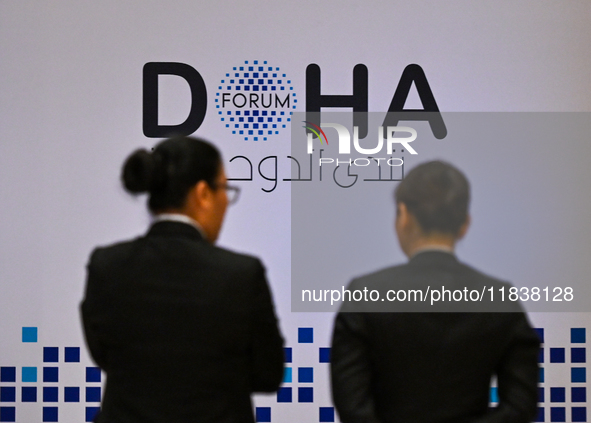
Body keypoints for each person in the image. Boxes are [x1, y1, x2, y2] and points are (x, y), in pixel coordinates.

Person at [80, 136, 284, 423]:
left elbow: (104, 355)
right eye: (224, 188)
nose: (226, 201)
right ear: (203, 193)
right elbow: (268, 374)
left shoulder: (107, 266)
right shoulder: (240, 274)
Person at [330, 160, 540, 423]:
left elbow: (352, 407)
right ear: (465, 224)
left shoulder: (365, 294)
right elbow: (521, 407)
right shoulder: (499, 297)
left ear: (403, 215)